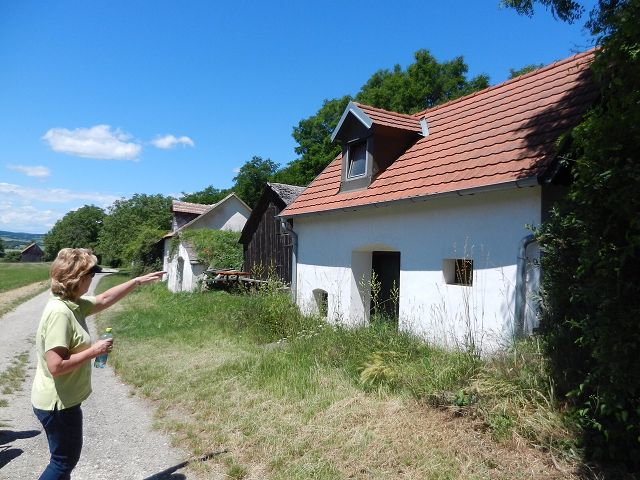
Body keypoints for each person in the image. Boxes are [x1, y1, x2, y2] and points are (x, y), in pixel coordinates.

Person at [31, 248, 164, 480]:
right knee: (62, 463)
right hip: (58, 405)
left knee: (63, 461)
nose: (93, 278)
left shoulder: (71, 304)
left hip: (63, 401)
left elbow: (103, 299)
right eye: (91, 274)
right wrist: (95, 351)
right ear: (79, 278)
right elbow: (56, 366)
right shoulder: (60, 313)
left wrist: (136, 281)